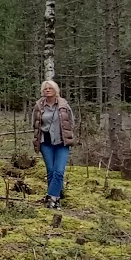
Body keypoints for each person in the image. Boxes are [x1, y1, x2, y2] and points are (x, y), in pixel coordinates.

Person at [32, 79, 75, 209]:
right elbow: (35, 123)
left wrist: (67, 135)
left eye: (50, 88)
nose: (48, 90)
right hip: (46, 142)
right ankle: (55, 196)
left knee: (59, 171)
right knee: (51, 171)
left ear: (56, 90)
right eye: (45, 89)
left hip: (62, 143)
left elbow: (71, 121)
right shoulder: (39, 105)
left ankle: (52, 197)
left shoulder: (64, 105)